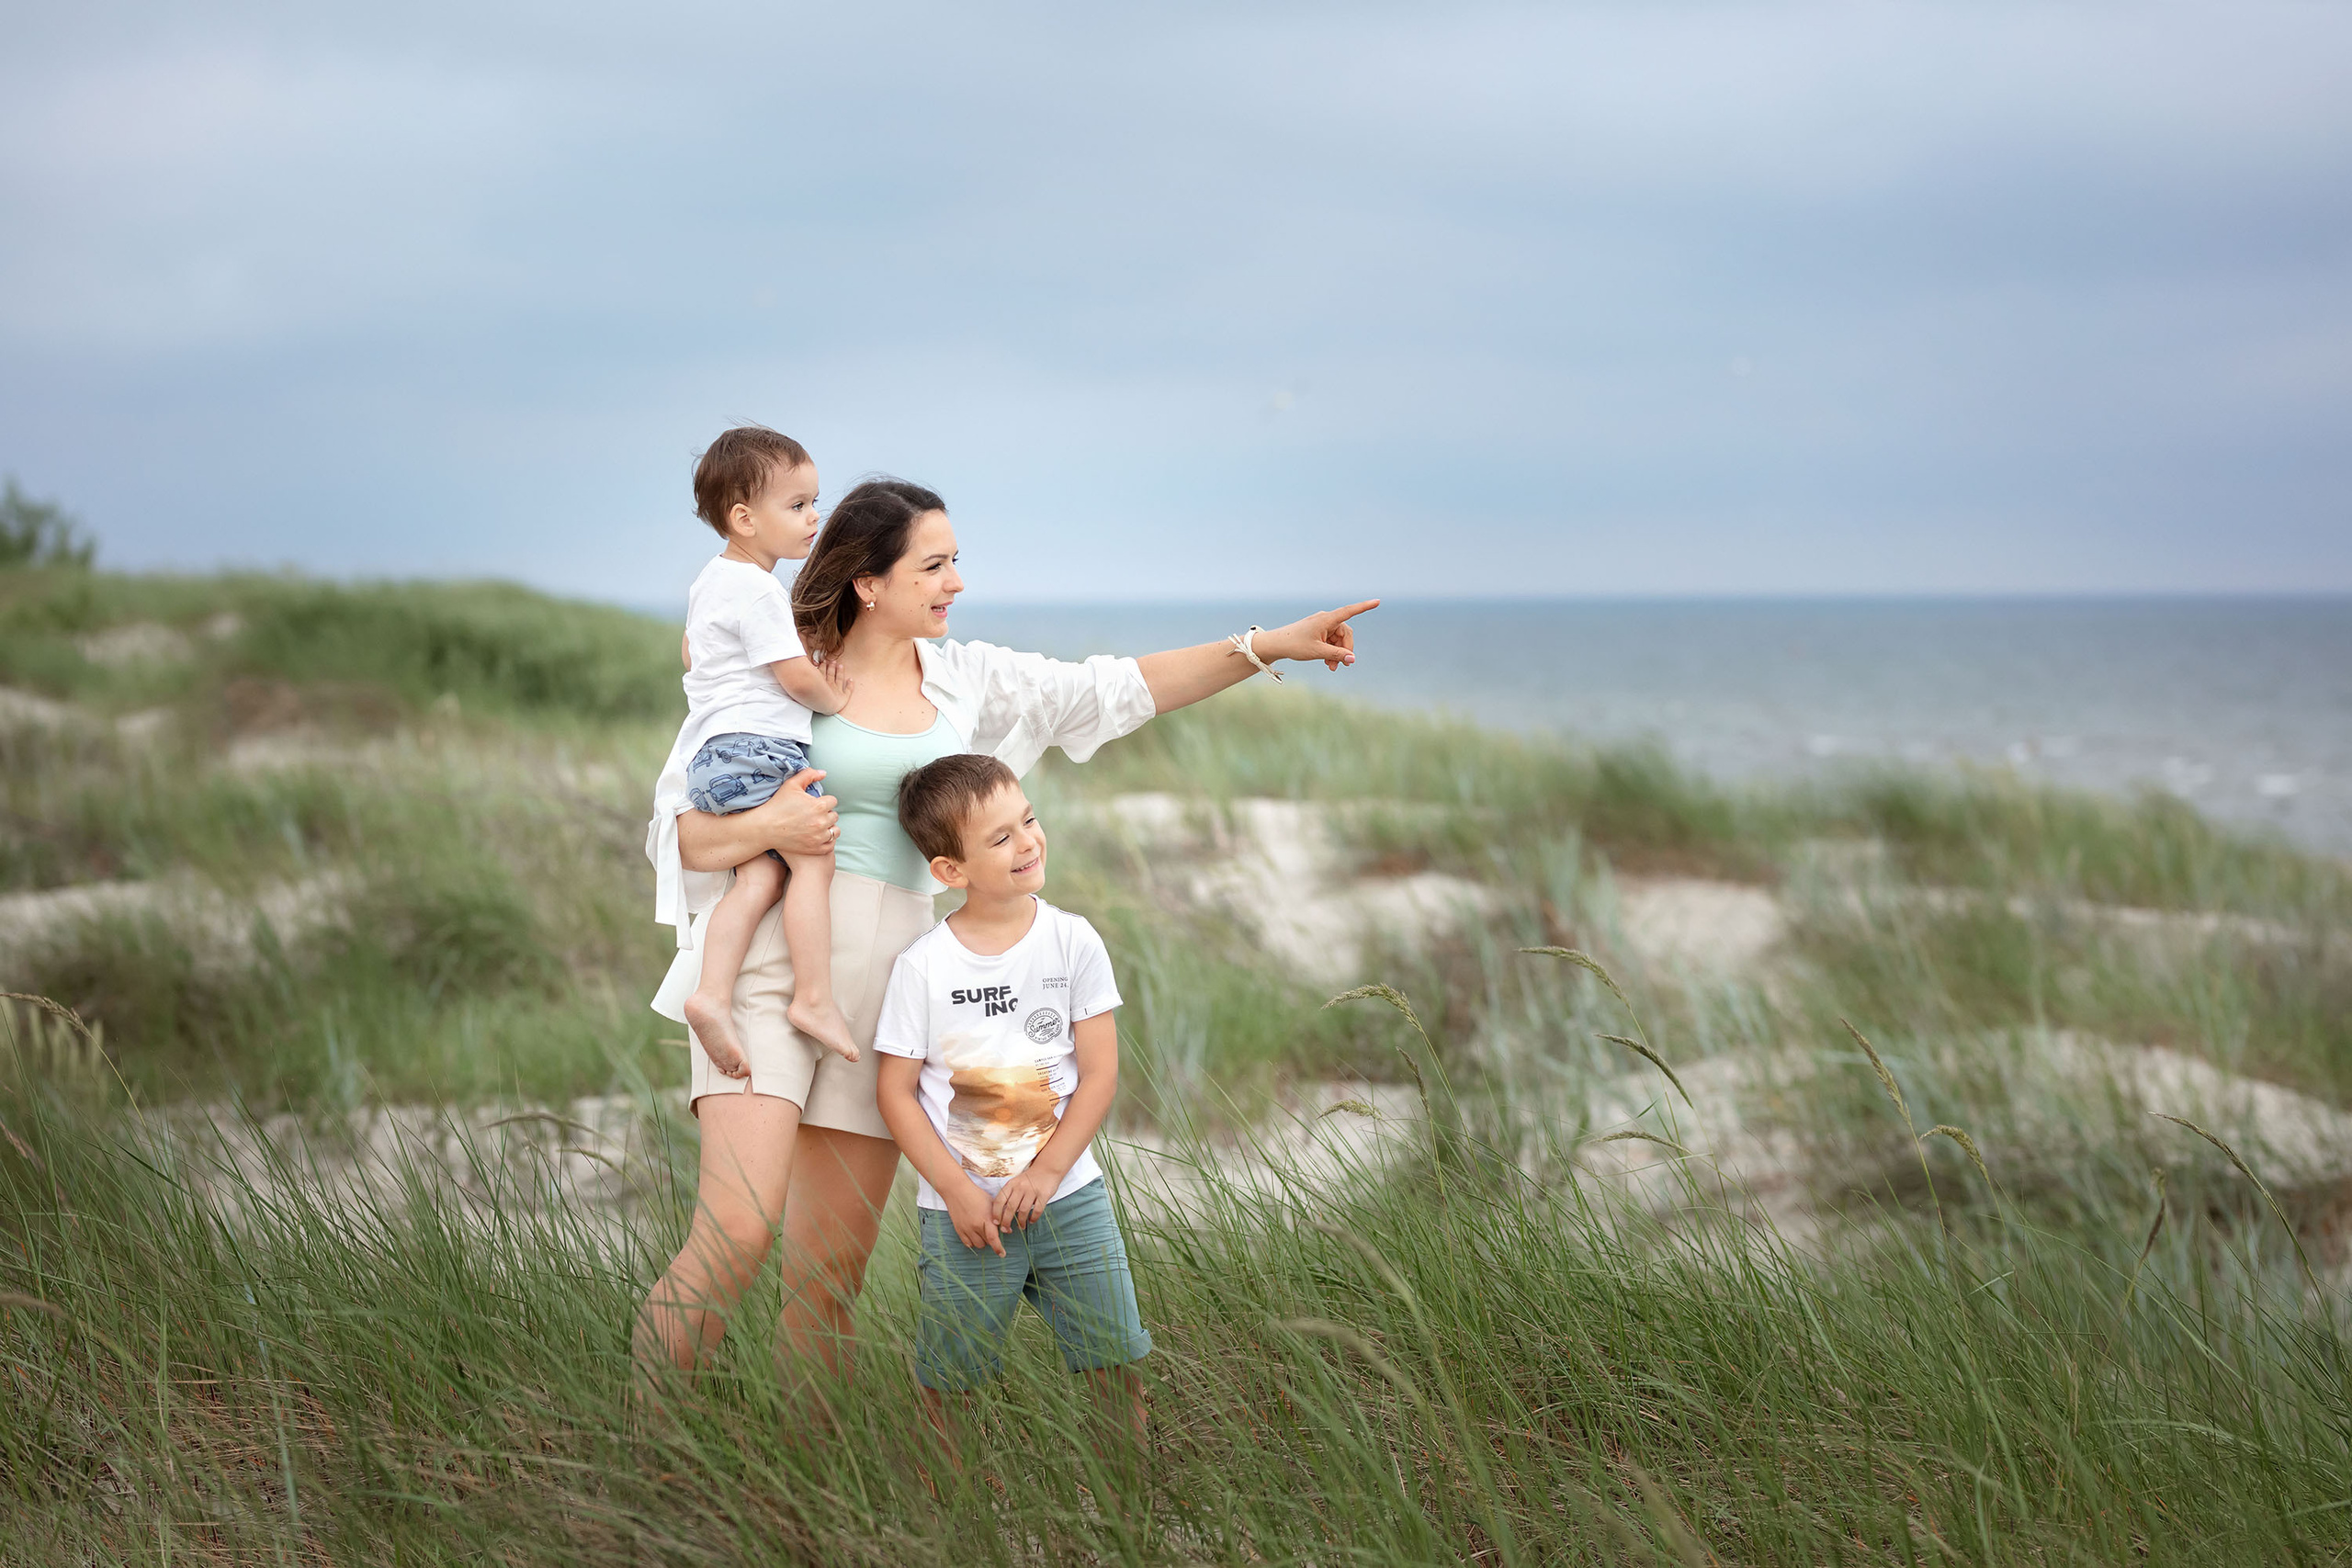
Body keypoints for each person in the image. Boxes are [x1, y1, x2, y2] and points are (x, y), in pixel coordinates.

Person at [635, 471, 1376, 1387]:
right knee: (737, 1233)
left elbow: (1117, 690)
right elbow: (687, 831)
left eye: (957, 564)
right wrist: (769, 830)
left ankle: (797, 1512)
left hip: (889, 994)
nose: (954, 583)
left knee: (825, 1282)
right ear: (869, 581)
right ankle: (653, 1469)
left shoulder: (967, 682)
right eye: (934, 566)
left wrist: (1266, 647)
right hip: (769, 967)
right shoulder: (772, 669)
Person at [873, 753, 1148, 1429]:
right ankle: (952, 1531)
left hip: (1070, 1198)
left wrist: (1050, 1169)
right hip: (965, 1218)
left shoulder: (1072, 940)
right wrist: (958, 1191)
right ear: (950, 872)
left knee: (1115, 1370)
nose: (1028, 841)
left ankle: (1131, 1527)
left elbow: (1101, 1072)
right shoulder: (924, 968)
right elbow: (896, 1093)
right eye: (1001, 837)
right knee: (951, 1390)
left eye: (1028, 820)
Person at [662, 426, 860, 1072]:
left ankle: (712, 994)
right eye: (797, 506)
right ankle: (814, 996)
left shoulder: (708, 582)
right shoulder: (759, 588)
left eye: (815, 502)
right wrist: (833, 699)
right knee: (813, 858)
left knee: (760, 873)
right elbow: (793, 674)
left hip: (714, 758)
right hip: (760, 750)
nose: (813, 519)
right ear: (744, 518)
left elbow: (693, 653)